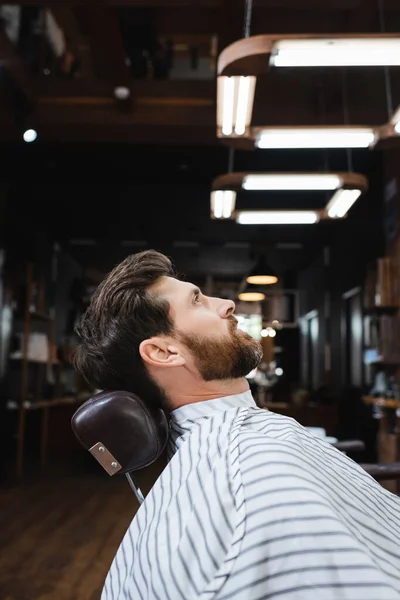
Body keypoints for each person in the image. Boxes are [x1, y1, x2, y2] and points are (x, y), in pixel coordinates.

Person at [73, 250, 400, 600]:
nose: (227, 303)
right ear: (164, 353)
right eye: (197, 301)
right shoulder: (253, 471)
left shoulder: (235, 453)